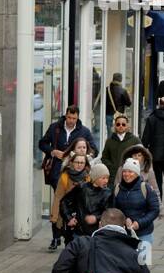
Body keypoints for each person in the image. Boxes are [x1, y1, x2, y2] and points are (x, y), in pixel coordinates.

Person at [39, 106, 98, 251]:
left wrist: (83, 158)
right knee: (58, 202)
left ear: (77, 118)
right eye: (69, 118)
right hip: (57, 173)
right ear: (65, 115)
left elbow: (94, 150)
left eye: (74, 118)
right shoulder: (55, 128)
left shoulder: (83, 131)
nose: (71, 121)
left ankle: (68, 234)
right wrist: (52, 151)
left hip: (77, 173)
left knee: (73, 204)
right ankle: (56, 236)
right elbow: (42, 143)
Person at [111, 156, 160, 251]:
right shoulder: (117, 189)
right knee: (126, 264)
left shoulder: (146, 188)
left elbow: (155, 210)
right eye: (125, 171)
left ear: (136, 173)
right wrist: (124, 219)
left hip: (144, 234)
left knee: (143, 263)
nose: (126, 174)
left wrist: (139, 223)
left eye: (130, 171)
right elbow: (113, 209)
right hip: (123, 234)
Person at [53, 152, 92, 246]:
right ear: (72, 162)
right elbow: (58, 196)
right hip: (68, 215)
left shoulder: (88, 177)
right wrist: (55, 217)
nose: (79, 165)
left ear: (85, 164)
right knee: (69, 243)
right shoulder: (65, 176)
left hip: (83, 216)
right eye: (77, 162)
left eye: (82, 163)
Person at [74, 163, 113, 236]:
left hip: (98, 233)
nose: (106, 181)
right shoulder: (82, 188)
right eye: (103, 178)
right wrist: (69, 218)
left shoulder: (108, 193)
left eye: (107, 178)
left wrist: (96, 218)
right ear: (95, 178)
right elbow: (65, 202)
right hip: (80, 231)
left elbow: (110, 213)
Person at [101, 114, 140, 182]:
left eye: (123, 124)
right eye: (118, 124)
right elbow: (104, 157)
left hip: (130, 175)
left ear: (127, 126)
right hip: (113, 176)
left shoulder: (135, 140)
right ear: (115, 126)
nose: (121, 126)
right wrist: (112, 167)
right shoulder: (109, 141)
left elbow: (141, 156)